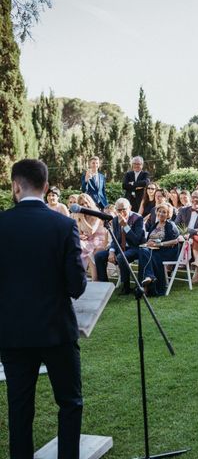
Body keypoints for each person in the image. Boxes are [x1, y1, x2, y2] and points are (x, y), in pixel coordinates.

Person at [0, 159, 87, 459]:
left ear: (15, 186)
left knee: (20, 408)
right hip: (56, 331)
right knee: (70, 403)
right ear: (46, 187)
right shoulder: (63, 225)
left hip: (13, 334)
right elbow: (76, 286)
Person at [94, 198, 147, 295]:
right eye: (118, 210)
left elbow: (136, 240)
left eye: (124, 209)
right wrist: (111, 251)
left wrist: (125, 226)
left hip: (135, 248)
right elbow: (115, 238)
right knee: (99, 256)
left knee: (121, 257)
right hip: (121, 247)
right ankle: (104, 285)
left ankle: (125, 286)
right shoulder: (115, 220)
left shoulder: (138, 218)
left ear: (130, 207)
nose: (121, 212)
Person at [137, 203, 183, 295]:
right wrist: (148, 243)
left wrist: (159, 244)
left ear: (168, 214)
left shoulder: (170, 225)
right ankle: (148, 279)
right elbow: (149, 239)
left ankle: (146, 285)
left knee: (145, 254)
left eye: (164, 212)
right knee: (142, 251)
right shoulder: (155, 225)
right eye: (159, 211)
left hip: (166, 252)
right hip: (153, 250)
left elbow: (175, 241)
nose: (161, 214)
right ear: (156, 212)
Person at [75, 193, 108, 280]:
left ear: (90, 202)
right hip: (88, 241)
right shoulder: (79, 215)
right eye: (81, 204)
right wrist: (80, 236)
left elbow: (91, 231)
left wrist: (82, 219)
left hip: (99, 240)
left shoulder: (96, 213)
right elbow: (80, 232)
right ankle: (78, 278)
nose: (85, 205)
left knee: (89, 254)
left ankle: (94, 280)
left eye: (86, 202)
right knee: (75, 246)